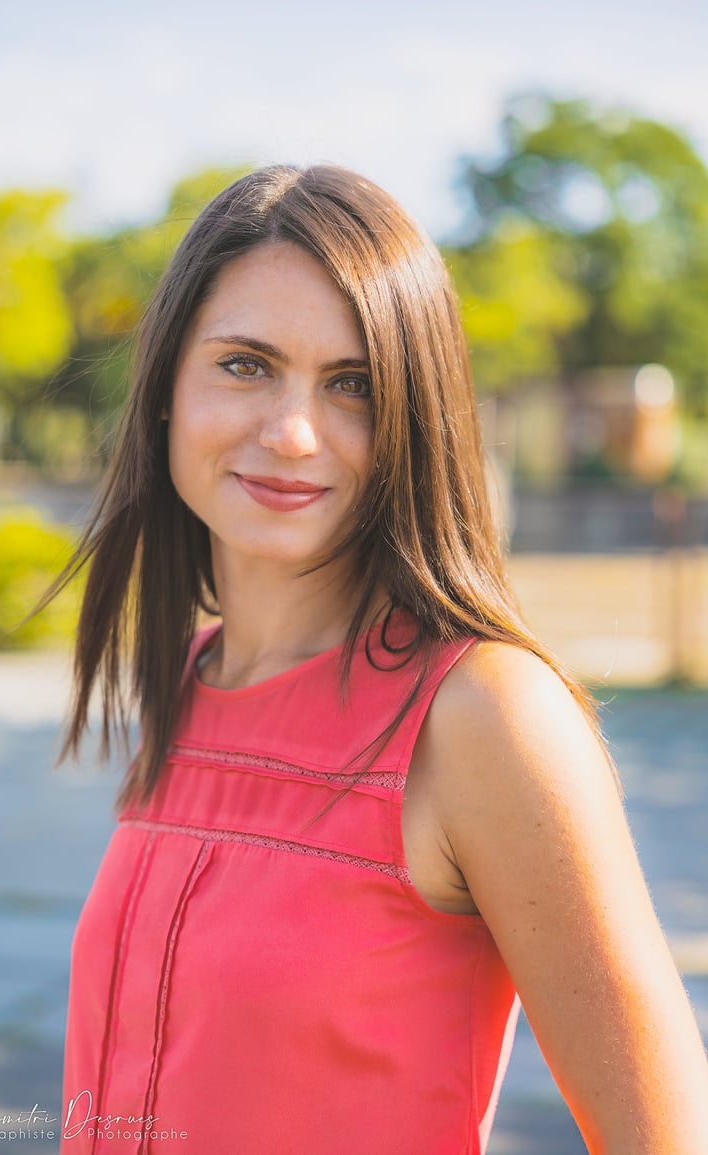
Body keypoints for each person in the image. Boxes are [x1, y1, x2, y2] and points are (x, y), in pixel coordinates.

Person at [57, 164, 708, 1154]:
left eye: (353, 385)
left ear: (416, 419)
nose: (292, 432)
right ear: (165, 390)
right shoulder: (187, 686)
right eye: (244, 364)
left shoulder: (483, 716)